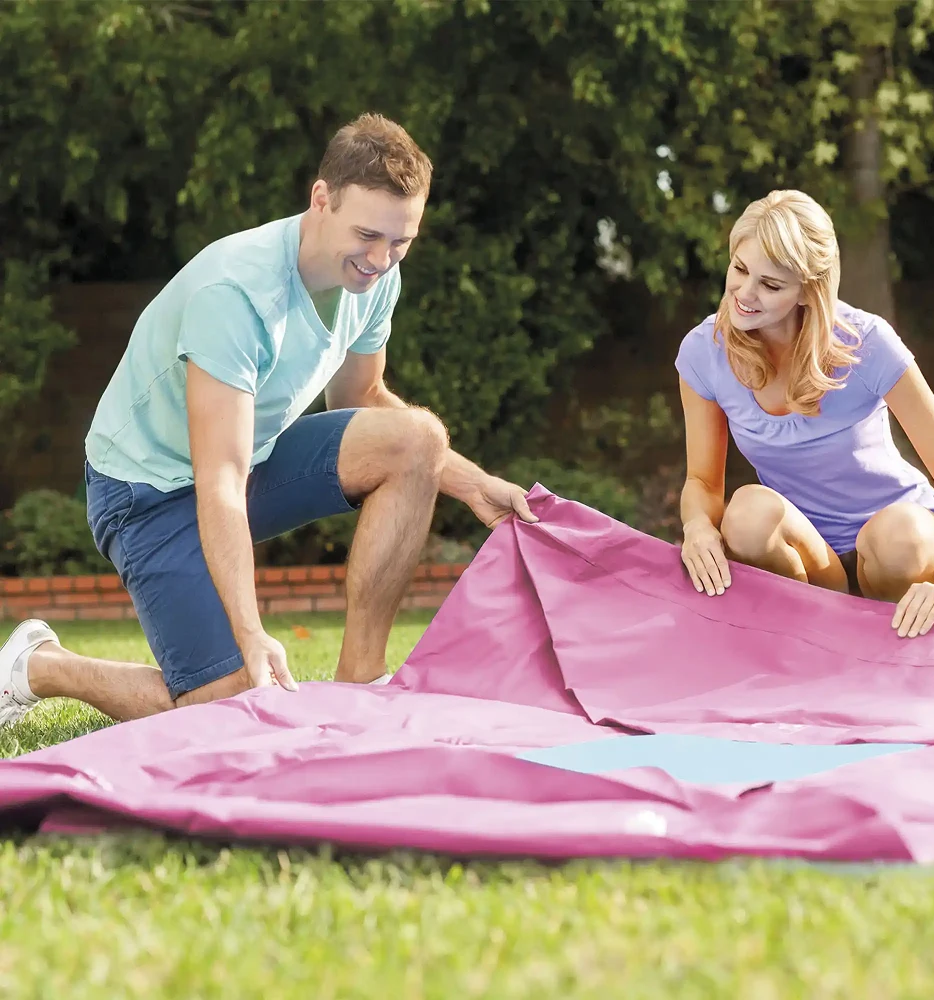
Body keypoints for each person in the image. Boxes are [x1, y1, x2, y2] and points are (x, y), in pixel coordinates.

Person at [0, 113, 538, 729]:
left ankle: (363, 688)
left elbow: (361, 395)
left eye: (400, 241)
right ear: (321, 199)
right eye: (368, 235)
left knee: (419, 438)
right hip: (145, 493)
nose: (381, 259)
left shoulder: (372, 279)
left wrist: (474, 484)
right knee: (236, 704)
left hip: (247, 463)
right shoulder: (236, 296)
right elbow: (219, 482)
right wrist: (251, 631)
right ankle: (39, 666)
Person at [675, 189, 934, 639]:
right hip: (810, 554)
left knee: (898, 536)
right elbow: (703, 482)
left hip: (899, 547)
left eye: (770, 285)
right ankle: (827, 629)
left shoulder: (867, 342)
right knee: (746, 513)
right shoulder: (704, 352)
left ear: (808, 290)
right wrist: (697, 526)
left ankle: (888, 631)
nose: (744, 293)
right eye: (739, 269)